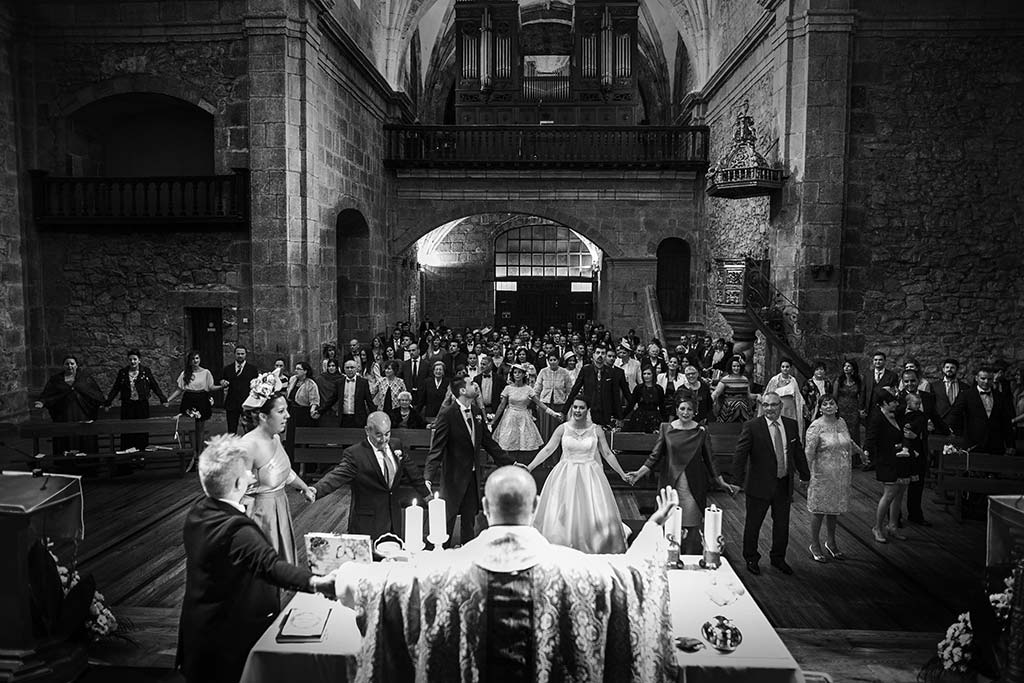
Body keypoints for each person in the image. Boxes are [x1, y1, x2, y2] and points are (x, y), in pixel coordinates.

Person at [334, 469, 678, 682]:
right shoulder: (579, 570)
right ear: (537, 505)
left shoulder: (438, 572)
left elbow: (368, 586)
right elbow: (635, 575)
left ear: (484, 509)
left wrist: (344, 571)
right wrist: (650, 530)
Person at [176, 434, 336, 683]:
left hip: (199, 635)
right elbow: (270, 566)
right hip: (228, 643)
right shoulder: (236, 531)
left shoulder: (198, 512)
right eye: (248, 472)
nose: (252, 475)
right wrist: (319, 583)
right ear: (240, 483)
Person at [627, 396, 740, 554]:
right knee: (668, 523)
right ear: (676, 410)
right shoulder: (666, 427)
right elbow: (655, 456)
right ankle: (667, 558)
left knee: (691, 525)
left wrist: (721, 482)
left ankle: (688, 558)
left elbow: (710, 459)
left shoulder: (701, 431)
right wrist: (639, 473)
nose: (685, 412)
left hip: (693, 486)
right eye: (682, 408)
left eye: (689, 409)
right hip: (670, 484)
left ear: (695, 412)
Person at [525, 397, 630, 553]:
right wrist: (530, 467)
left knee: (591, 507)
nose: (577, 411)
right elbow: (548, 449)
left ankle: (591, 541)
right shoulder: (563, 428)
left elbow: (607, 453)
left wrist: (622, 473)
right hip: (566, 472)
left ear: (587, 410)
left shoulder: (596, 430)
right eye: (575, 407)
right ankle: (564, 539)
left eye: (581, 408)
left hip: (590, 473)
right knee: (564, 507)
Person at [306, 411, 430, 540]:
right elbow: (337, 475)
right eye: (378, 435)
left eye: (387, 434)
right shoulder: (355, 454)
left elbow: (412, 472)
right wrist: (316, 490)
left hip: (393, 518)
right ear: (367, 431)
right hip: (368, 523)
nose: (384, 440)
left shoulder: (396, 445)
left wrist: (427, 495)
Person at [424, 376, 513, 545]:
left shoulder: (477, 412)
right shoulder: (447, 414)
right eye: (471, 383)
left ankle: (467, 557)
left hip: (473, 477)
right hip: (453, 478)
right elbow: (437, 449)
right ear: (463, 391)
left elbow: (489, 443)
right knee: (447, 521)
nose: (475, 385)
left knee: (469, 521)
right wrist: (428, 477)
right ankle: (439, 556)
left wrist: (511, 463)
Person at [732, 392, 810, 576]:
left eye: (773, 405)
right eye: (766, 405)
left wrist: (805, 475)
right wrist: (736, 481)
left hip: (783, 484)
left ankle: (778, 558)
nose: (769, 409)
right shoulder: (752, 427)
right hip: (759, 485)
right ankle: (751, 558)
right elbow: (740, 455)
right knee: (753, 524)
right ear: (762, 407)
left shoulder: (791, 426)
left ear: (781, 406)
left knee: (782, 525)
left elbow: (797, 452)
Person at [238, 372, 312, 564]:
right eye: (281, 411)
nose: (287, 416)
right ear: (263, 416)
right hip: (258, 517)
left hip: (279, 508)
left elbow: (285, 473)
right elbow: (232, 492)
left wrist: (304, 487)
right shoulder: (248, 446)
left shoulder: (276, 438)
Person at [804, 395, 861, 562]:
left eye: (832, 403)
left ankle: (831, 541)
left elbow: (848, 441)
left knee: (833, 509)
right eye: (825, 404)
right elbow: (809, 452)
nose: (829, 406)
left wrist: (860, 452)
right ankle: (814, 544)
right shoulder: (816, 427)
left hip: (840, 474)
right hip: (822, 475)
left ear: (836, 406)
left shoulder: (841, 422)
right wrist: (805, 475)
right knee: (819, 510)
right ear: (820, 408)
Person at [865, 391, 913, 543]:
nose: (896, 404)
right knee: (889, 493)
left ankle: (892, 526)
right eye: (893, 401)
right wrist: (866, 452)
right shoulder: (877, 417)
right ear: (885, 403)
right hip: (886, 459)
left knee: (899, 493)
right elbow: (871, 437)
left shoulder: (897, 414)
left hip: (900, 459)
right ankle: (877, 528)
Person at [36, 355, 104, 456]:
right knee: (65, 434)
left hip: (82, 412)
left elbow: (94, 392)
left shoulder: (84, 378)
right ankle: (66, 461)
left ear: (76, 365)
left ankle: (87, 460)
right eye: (67, 364)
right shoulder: (56, 379)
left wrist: (102, 402)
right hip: (64, 413)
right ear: (63, 366)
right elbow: (48, 393)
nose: (70, 366)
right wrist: (42, 402)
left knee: (83, 433)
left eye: (72, 363)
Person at [103, 348, 169, 451]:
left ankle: (141, 455)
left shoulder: (145, 371)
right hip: (128, 406)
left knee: (142, 430)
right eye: (130, 359)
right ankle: (128, 456)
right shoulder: (123, 373)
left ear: (139, 360)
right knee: (127, 430)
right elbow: (116, 388)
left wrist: (163, 399)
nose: (132, 361)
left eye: (135, 359)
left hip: (141, 405)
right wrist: (108, 402)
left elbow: (154, 386)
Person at [948, 365, 1016, 455]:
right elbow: (954, 416)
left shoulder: (1000, 397)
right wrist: (957, 435)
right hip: (973, 443)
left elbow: (1006, 422)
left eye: (989, 379)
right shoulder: (966, 395)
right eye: (983, 378)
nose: (986, 382)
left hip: (996, 444)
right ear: (976, 378)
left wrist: (1010, 444)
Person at [492, 364, 562, 452]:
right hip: (510, 417)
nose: (517, 375)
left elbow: (539, 403)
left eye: (519, 372)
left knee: (523, 443)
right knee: (508, 442)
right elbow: (502, 406)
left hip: (524, 417)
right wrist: (494, 420)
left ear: (524, 374)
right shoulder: (508, 388)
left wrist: (553, 413)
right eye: (515, 372)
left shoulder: (528, 389)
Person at [167, 350, 223, 458]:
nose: (195, 361)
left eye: (197, 358)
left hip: (201, 400)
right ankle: (193, 452)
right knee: (190, 427)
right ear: (190, 361)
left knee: (200, 427)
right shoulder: (185, 373)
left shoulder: (206, 372)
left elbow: (211, 387)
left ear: (200, 359)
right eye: (193, 359)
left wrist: (221, 387)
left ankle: (200, 453)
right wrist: (168, 399)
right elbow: (179, 389)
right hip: (189, 400)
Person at [564, 346, 624, 427]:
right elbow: (574, 391)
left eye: (603, 353)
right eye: (598, 353)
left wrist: (619, 417)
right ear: (593, 355)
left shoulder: (611, 372)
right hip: (589, 411)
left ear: (605, 356)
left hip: (605, 412)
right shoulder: (586, 370)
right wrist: (564, 411)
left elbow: (616, 395)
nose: (600, 355)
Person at [321, 360, 376, 427]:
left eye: (352, 367)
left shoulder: (363, 383)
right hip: (343, 418)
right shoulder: (339, 383)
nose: (350, 370)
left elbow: (369, 401)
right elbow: (332, 400)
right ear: (344, 369)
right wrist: (320, 411)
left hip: (359, 419)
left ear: (356, 369)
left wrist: (376, 415)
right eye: (347, 367)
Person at [283, 361, 320, 458]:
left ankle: (303, 463)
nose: (296, 371)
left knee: (301, 439)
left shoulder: (311, 384)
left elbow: (314, 401)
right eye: (296, 368)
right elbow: (288, 394)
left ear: (305, 371)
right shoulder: (292, 379)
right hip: (292, 411)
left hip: (303, 413)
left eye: (299, 369)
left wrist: (313, 410)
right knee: (290, 438)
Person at [533, 352, 572, 441]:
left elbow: (569, 390)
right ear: (548, 361)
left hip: (559, 405)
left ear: (558, 361)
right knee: (545, 429)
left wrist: (567, 406)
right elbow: (537, 388)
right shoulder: (543, 371)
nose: (553, 362)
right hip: (545, 405)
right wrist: (537, 403)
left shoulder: (564, 372)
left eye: (555, 360)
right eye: (551, 360)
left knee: (557, 429)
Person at [762, 358, 806, 438]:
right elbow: (769, 394)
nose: (785, 368)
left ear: (790, 368)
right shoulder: (775, 380)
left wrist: (802, 405)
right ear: (780, 368)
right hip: (778, 407)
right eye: (783, 367)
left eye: (787, 367)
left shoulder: (793, 380)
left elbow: (798, 396)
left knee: (789, 427)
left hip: (790, 408)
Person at [220, 345, 258, 435]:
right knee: (231, 430)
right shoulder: (228, 369)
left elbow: (256, 385)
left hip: (247, 403)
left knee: (249, 429)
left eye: (242, 354)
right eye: (238, 354)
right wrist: (222, 382)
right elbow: (222, 380)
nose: (240, 356)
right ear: (234, 354)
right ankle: (233, 447)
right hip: (232, 403)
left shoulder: (252, 369)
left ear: (245, 355)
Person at [711, 356, 758, 423]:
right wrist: (711, 400)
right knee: (738, 405)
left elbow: (748, 395)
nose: (736, 368)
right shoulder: (725, 380)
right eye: (734, 366)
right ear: (730, 367)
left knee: (741, 405)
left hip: (744, 408)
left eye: (738, 366)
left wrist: (757, 396)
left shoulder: (745, 380)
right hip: (729, 408)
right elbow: (717, 393)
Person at [832, 359, 864, 454]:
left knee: (853, 433)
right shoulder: (839, 380)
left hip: (853, 409)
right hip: (841, 409)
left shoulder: (858, 381)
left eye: (849, 366)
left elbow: (861, 395)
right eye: (845, 366)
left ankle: (855, 458)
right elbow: (834, 396)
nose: (846, 368)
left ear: (853, 368)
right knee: (841, 432)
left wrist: (860, 409)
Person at [623, 366, 666, 432]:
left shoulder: (659, 389)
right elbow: (631, 404)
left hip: (654, 418)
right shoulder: (638, 388)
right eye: (644, 374)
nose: (646, 376)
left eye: (649, 374)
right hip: (640, 418)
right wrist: (621, 416)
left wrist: (666, 421)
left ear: (653, 375)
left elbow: (662, 406)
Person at [861, 351, 898, 419]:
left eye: (880, 360)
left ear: (885, 361)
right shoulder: (867, 375)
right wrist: (861, 408)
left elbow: (894, 393)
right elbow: (863, 391)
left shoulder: (892, 375)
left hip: (885, 410)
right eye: (875, 360)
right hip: (870, 410)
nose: (877, 362)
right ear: (873, 361)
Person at [314, 358, 342, 425]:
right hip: (323, 409)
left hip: (337, 411)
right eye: (329, 366)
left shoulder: (342, 379)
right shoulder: (321, 378)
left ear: (337, 367)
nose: (331, 368)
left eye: (333, 366)